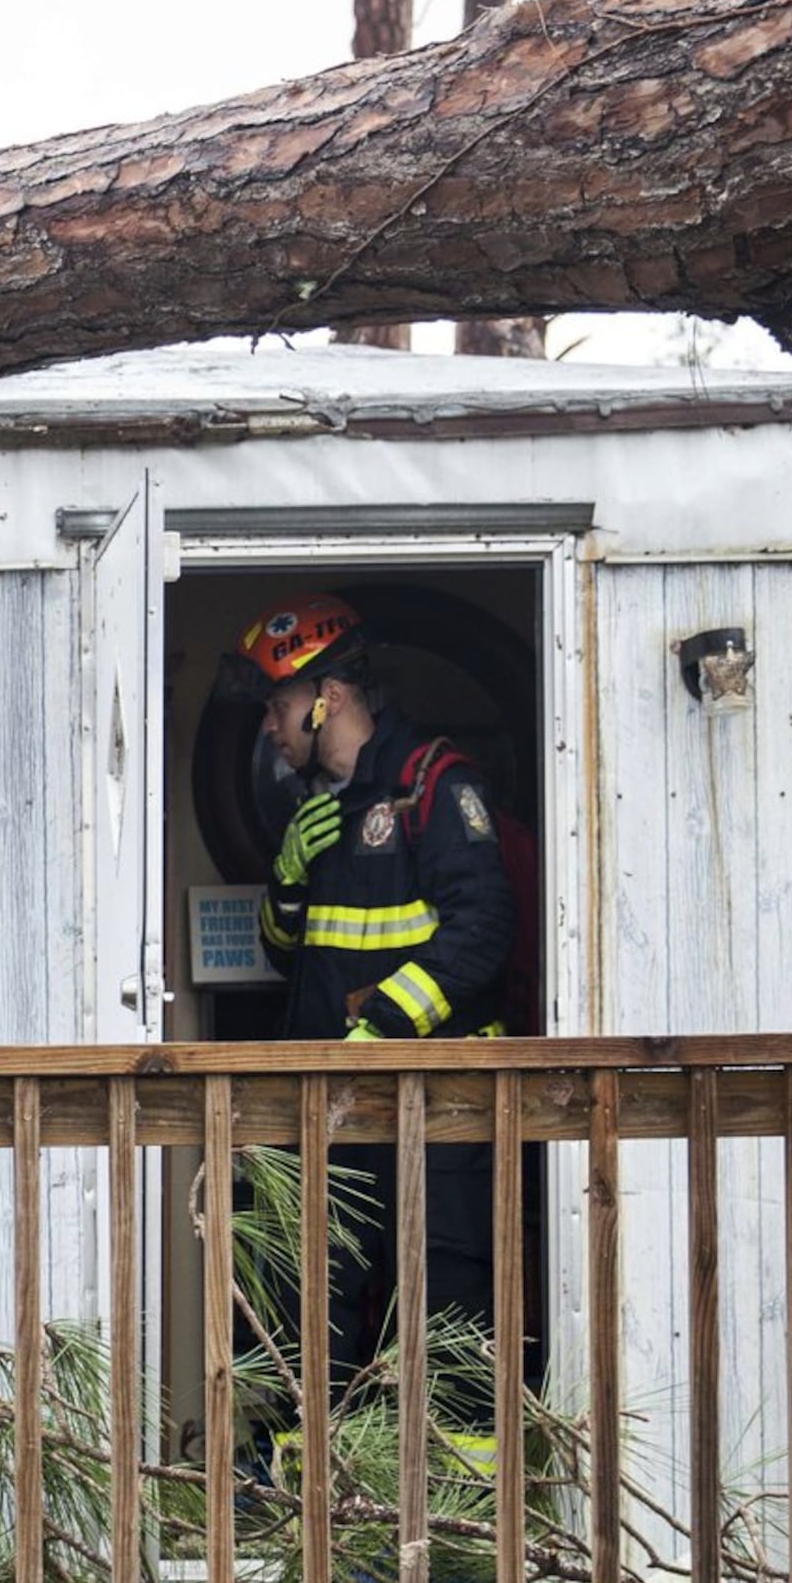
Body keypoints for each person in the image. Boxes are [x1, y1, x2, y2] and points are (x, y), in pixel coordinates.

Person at [238, 591, 515, 1387]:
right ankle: (318, 1487)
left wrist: (385, 1025)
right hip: (337, 1110)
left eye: (279, 703)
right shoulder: (319, 811)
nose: (268, 724)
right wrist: (287, 879)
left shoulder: (431, 784)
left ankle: (459, 1493)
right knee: (316, 1300)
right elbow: (291, 956)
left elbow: (483, 929)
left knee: (446, 1301)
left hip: (436, 1103)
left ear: (327, 700)